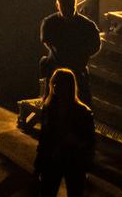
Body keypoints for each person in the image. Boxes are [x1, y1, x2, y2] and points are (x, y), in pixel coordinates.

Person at [34, 68, 95, 197]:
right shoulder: (49, 108)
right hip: (54, 158)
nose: (55, 87)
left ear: (69, 86)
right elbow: (43, 137)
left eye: (59, 83)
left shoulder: (82, 112)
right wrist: (39, 163)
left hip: (72, 160)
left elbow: (89, 141)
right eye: (54, 83)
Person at [39, 0, 101, 104]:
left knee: (80, 105)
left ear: (75, 4)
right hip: (56, 71)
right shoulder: (49, 23)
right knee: (54, 104)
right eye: (64, 6)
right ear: (58, 5)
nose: (67, 9)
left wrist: (80, 57)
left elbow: (96, 45)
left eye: (70, 6)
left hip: (77, 71)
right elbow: (47, 42)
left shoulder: (87, 26)